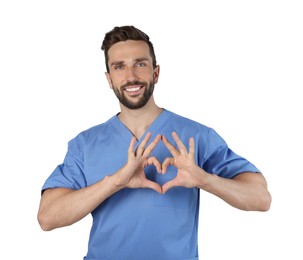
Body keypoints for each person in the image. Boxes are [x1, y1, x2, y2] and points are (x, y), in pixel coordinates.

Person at [38, 25, 271, 260]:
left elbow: (261, 198)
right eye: (119, 67)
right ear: (109, 79)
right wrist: (116, 182)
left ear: (156, 73)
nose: (131, 76)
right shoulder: (85, 144)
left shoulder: (195, 136)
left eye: (140, 64)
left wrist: (205, 179)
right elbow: (47, 217)